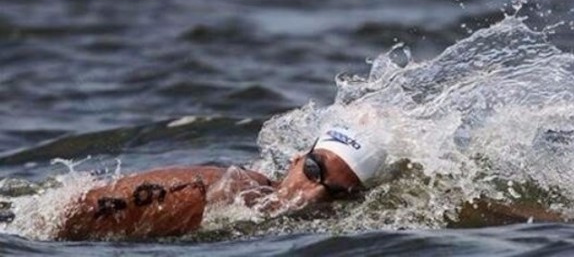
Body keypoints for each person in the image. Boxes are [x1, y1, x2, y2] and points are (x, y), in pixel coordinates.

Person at [56, 126, 387, 240]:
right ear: (296, 160)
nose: (312, 194)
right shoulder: (227, 190)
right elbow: (67, 215)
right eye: (314, 171)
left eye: (334, 194)